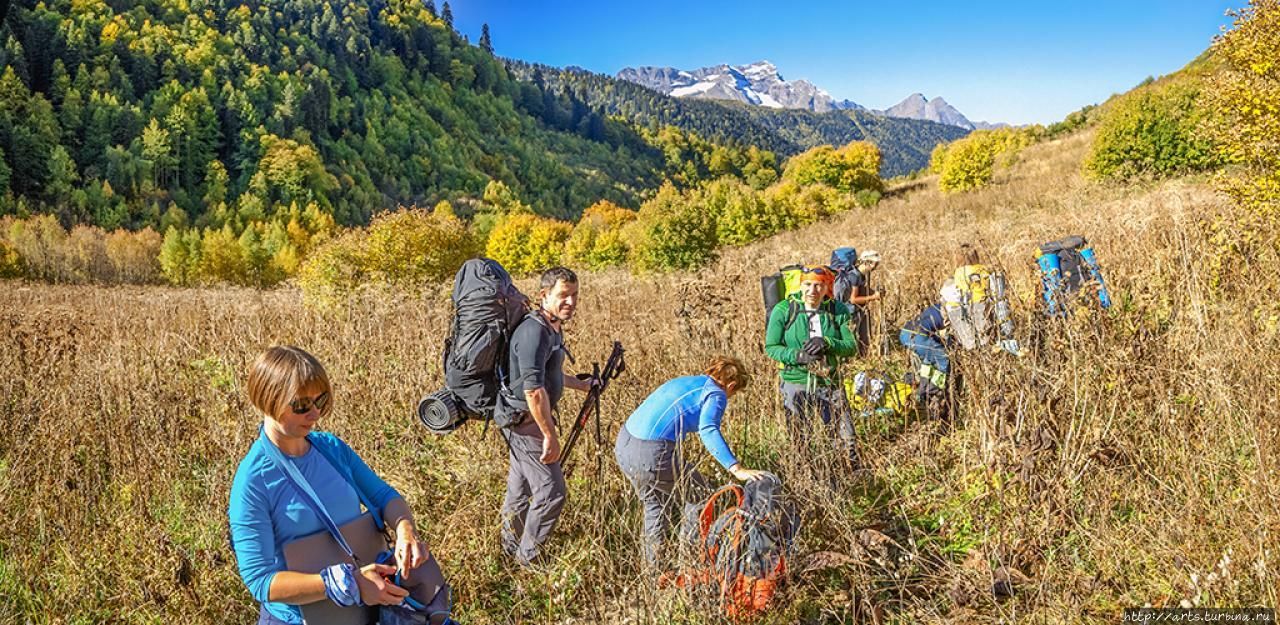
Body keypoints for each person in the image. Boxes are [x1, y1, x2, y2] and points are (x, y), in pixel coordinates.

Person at [228, 346, 441, 625]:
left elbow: (384, 496)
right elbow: (260, 581)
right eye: (302, 405)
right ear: (268, 400)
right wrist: (345, 584)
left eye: (321, 401)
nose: (315, 414)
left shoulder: (331, 449)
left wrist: (405, 531)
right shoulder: (252, 482)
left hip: (364, 608)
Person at [614, 356, 767, 564]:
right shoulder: (716, 394)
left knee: (655, 505)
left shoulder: (687, 381)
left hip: (625, 444)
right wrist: (736, 468)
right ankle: (691, 562)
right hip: (650, 452)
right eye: (733, 393)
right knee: (699, 494)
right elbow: (708, 429)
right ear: (730, 385)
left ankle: (653, 574)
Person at [497, 266, 595, 567]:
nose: (571, 302)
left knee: (520, 488)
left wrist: (580, 384)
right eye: (563, 296)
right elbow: (534, 391)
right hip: (523, 423)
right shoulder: (533, 331)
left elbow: (548, 373)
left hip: (527, 420)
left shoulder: (552, 326)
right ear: (544, 295)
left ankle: (507, 553)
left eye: (575, 295)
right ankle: (528, 561)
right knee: (552, 492)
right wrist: (550, 436)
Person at [763, 265, 860, 467]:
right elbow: (771, 347)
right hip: (795, 381)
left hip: (829, 381)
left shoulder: (837, 310)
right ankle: (808, 473)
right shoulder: (784, 310)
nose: (812, 291)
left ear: (827, 288)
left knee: (845, 435)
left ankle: (849, 472)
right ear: (800, 285)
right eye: (807, 285)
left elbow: (851, 347)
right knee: (800, 437)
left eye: (819, 286)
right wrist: (798, 355)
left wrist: (828, 343)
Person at [900, 303, 951, 402]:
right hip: (918, 335)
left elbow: (932, 334)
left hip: (905, 333)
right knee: (943, 358)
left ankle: (923, 387)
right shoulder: (950, 311)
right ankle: (933, 389)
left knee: (928, 359)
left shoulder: (936, 307)